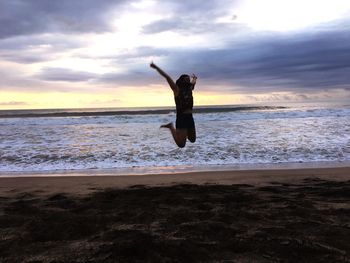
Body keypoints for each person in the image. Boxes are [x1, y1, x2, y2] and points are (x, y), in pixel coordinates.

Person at [150, 62, 197, 148]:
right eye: (186, 79)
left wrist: (195, 78)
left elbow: (193, 83)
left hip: (190, 117)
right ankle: (171, 127)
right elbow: (167, 77)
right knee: (181, 144)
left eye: (188, 79)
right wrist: (156, 67)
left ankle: (182, 133)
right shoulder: (176, 90)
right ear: (181, 80)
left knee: (193, 139)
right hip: (181, 118)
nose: (188, 80)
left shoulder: (189, 88)